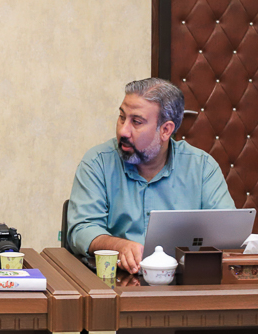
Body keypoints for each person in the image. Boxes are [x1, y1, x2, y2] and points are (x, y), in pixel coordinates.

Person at [66, 78, 235, 274]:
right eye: (122, 117)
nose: (123, 130)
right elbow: (82, 229)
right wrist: (118, 246)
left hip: (186, 280)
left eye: (136, 122)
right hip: (116, 280)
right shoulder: (98, 162)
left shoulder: (202, 167)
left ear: (165, 130)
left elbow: (228, 232)